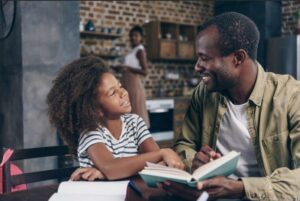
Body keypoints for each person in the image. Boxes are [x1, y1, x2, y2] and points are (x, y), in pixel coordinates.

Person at [159, 12, 300, 200]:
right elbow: (185, 143)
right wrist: (195, 161)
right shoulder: (203, 93)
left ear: (238, 58)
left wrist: (239, 188)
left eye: (205, 58)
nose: (197, 66)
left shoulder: (291, 97)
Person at [46, 55, 184, 181]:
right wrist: (163, 152)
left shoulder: (135, 122)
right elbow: (112, 168)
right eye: (113, 93)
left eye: (120, 86)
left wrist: (103, 173)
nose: (123, 92)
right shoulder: (91, 132)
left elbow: (160, 165)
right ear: (95, 108)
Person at [112, 25, 150, 127]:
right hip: (127, 84)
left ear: (141, 37)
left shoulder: (140, 50)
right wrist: (120, 68)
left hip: (133, 85)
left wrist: (127, 68)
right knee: (128, 116)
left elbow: (145, 71)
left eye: (136, 35)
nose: (133, 37)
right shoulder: (133, 50)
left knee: (134, 116)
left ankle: (138, 141)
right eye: (132, 35)